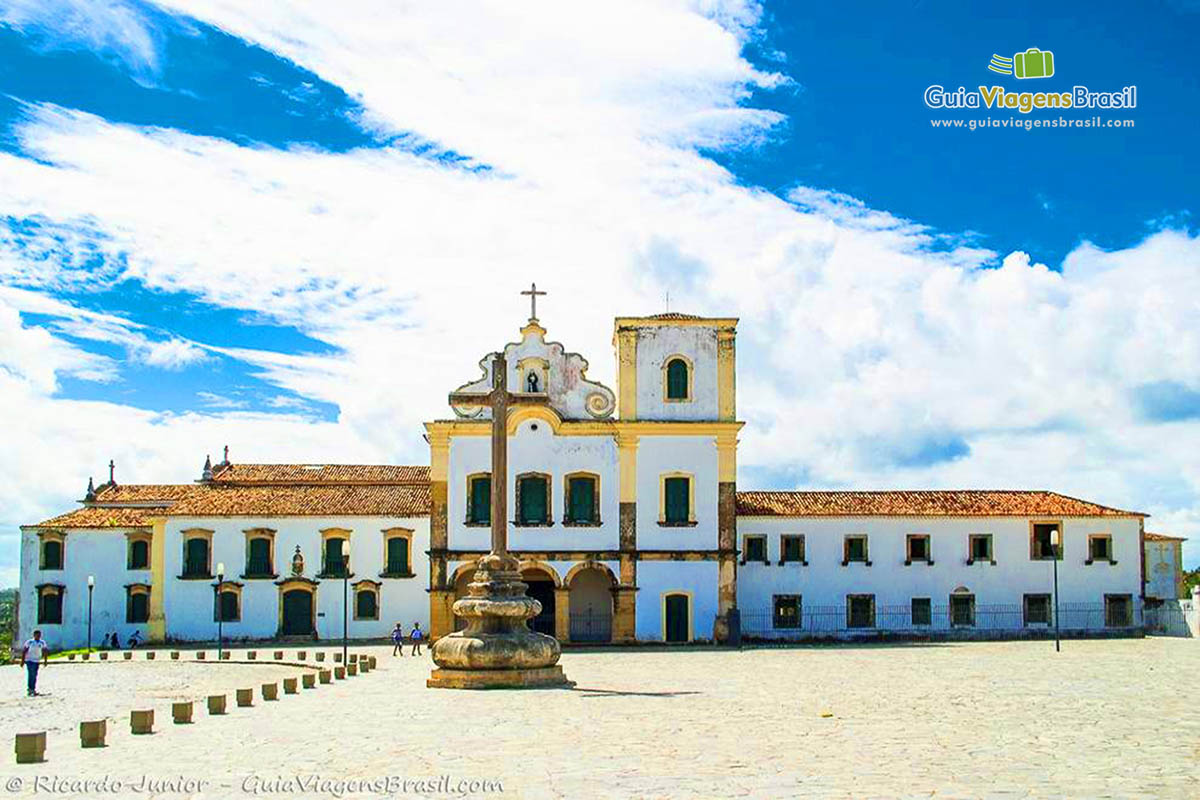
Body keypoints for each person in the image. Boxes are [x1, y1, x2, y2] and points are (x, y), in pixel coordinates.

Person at [22, 630, 50, 697]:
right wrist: (22, 661)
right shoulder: (29, 642)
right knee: (31, 674)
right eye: (37, 635)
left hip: (36, 661)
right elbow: (24, 651)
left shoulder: (42, 642)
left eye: (39, 635)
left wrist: (45, 661)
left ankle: (33, 689)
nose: (38, 636)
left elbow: (45, 651)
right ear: (34, 635)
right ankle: (30, 689)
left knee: (34, 675)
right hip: (29, 660)